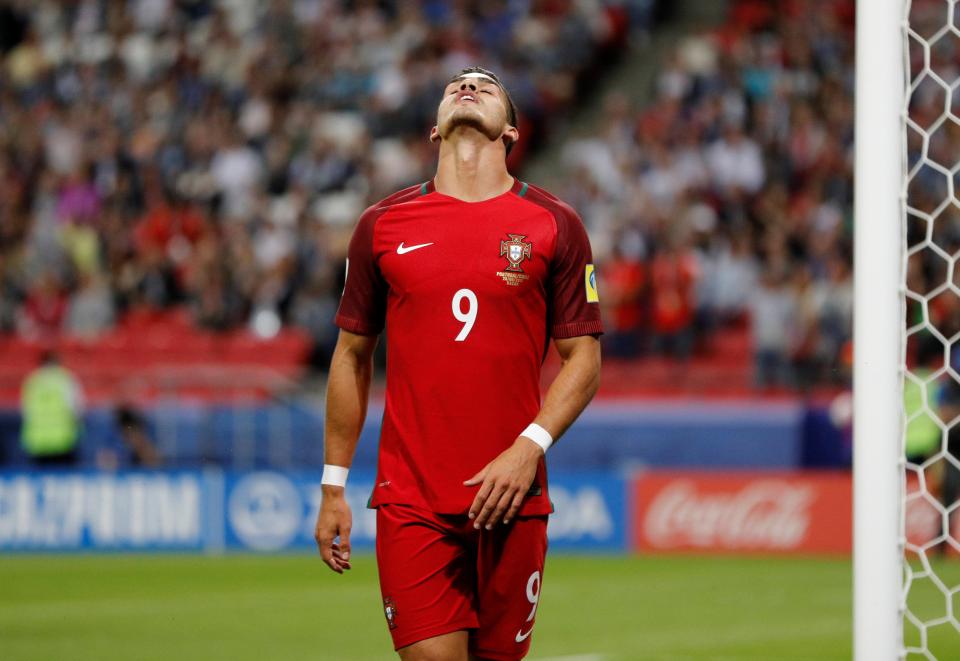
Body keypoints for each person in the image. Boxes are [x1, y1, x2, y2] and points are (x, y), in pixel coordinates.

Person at [313, 67, 603, 661]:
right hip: (411, 498)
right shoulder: (380, 226)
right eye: (455, 85)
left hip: (514, 497)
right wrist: (333, 485)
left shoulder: (555, 225)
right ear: (434, 128)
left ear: (513, 133)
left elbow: (585, 358)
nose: (468, 87)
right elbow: (351, 355)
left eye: (486, 86)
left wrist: (528, 450)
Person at [20, 350, 84, 466]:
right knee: (62, 478)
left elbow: (26, 411)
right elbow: (76, 408)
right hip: (63, 439)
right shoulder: (65, 380)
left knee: (40, 478)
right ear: (58, 362)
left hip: (37, 440)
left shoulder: (33, 381)